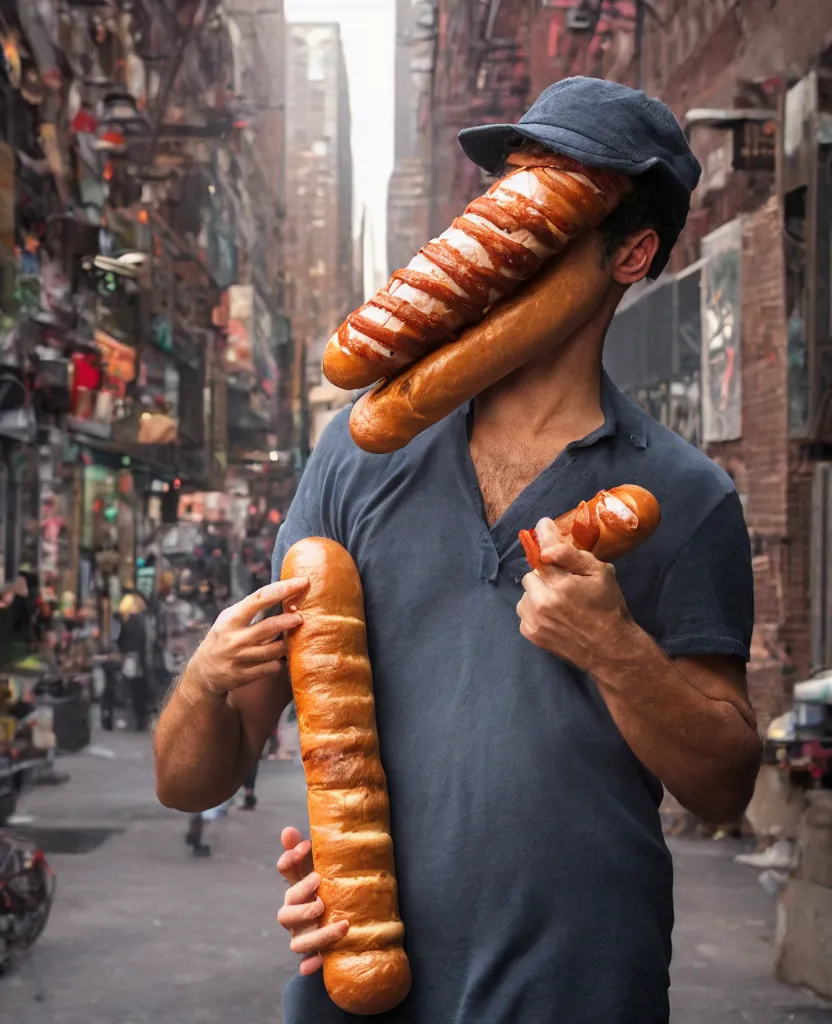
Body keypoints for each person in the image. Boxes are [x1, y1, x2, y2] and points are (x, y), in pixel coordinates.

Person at [154, 78, 762, 1024]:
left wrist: (613, 647)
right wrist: (199, 683)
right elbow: (201, 772)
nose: (499, 233)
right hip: (358, 980)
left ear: (631, 253)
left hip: (583, 988)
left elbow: (725, 782)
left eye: (548, 201)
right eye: (501, 190)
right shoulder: (358, 454)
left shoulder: (687, 496)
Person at [116, 594, 150, 733]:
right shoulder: (142, 620)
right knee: (138, 687)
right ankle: (140, 719)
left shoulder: (130, 621)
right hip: (139, 658)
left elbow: (123, 640)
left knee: (132, 688)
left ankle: (135, 719)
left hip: (132, 657)